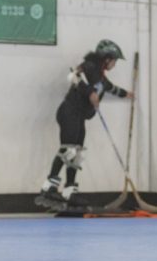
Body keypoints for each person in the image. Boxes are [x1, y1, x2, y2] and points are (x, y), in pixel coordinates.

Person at [35, 39, 134, 210]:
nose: (115, 64)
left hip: (79, 116)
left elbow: (111, 88)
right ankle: (48, 188)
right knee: (67, 149)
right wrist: (90, 93)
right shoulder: (89, 66)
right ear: (106, 58)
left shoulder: (101, 78)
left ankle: (69, 191)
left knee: (77, 153)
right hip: (69, 112)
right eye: (115, 60)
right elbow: (73, 75)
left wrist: (127, 94)